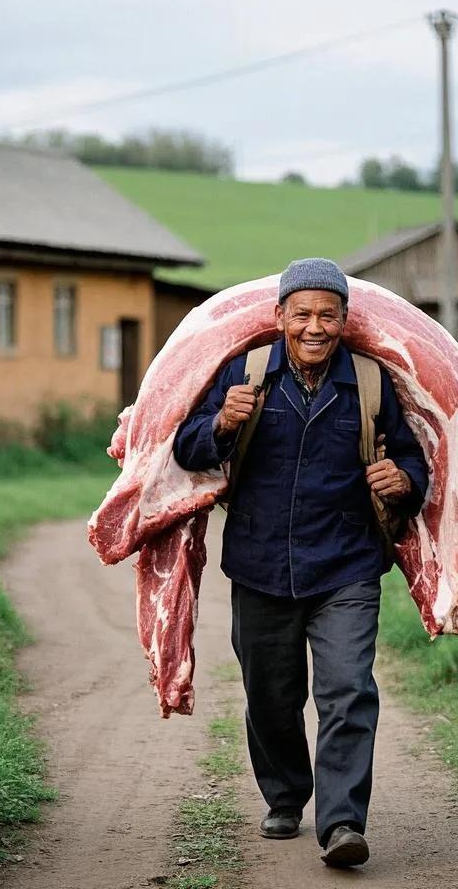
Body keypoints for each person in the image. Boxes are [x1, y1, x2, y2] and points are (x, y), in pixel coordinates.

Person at [172, 257, 430, 868]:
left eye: (329, 315)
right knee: (270, 694)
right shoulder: (248, 372)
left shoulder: (369, 383)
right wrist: (221, 423)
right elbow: (186, 446)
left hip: (347, 564)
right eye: (303, 314)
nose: (315, 327)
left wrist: (403, 480)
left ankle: (341, 822)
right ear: (281, 316)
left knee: (346, 690)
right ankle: (285, 794)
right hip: (261, 563)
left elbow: (416, 462)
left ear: (345, 320)